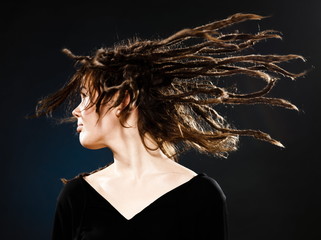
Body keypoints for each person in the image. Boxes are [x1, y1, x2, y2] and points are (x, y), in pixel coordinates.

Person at [27, 13, 306, 239]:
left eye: (86, 96)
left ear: (124, 99)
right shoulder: (77, 196)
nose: (76, 110)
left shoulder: (201, 195)